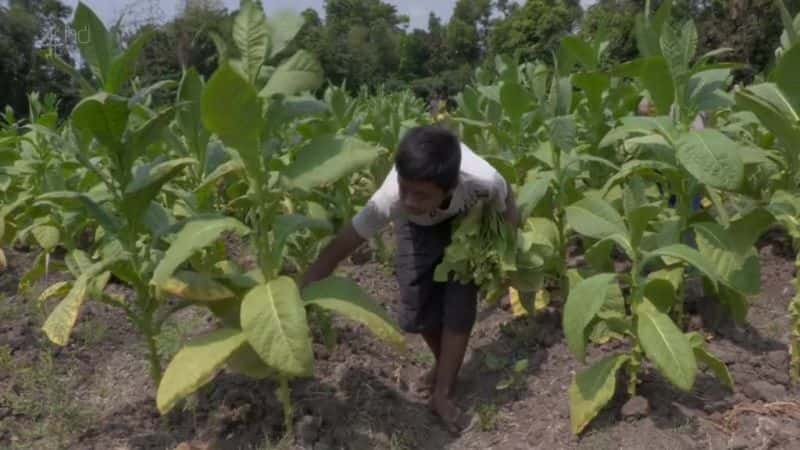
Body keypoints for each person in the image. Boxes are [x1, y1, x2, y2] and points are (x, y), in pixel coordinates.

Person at [300, 125, 520, 435]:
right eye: (406, 189)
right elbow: (341, 246)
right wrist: (300, 288)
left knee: (459, 307)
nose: (411, 199)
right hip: (416, 229)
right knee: (416, 312)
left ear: (450, 186)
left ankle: (443, 391)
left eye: (421, 194)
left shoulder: (482, 180)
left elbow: (508, 201)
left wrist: (507, 251)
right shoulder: (392, 199)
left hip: (466, 223)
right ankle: (445, 365)